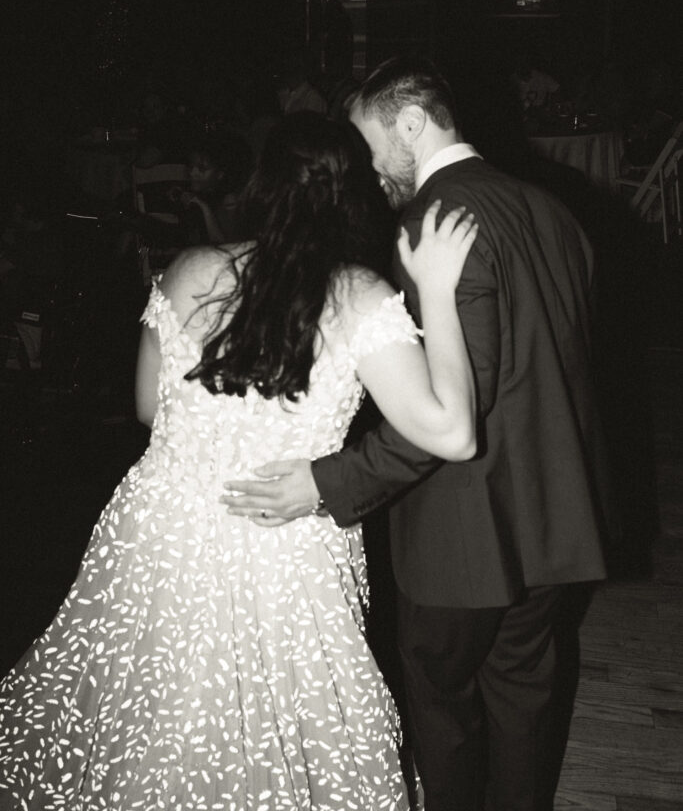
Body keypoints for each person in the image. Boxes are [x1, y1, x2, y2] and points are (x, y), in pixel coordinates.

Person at [0, 111, 479, 810]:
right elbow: (453, 434)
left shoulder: (190, 267)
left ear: (261, 185)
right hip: (280, 542)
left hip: (164, 523)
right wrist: (434, 292)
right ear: (353, 196)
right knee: (279, 721)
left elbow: (146, 407)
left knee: (151, 705)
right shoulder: (359, 295)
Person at [223, 58, 613, 811]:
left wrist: (326, 482)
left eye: (370, 145)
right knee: (524, 691)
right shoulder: (553, 207)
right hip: (558, 513)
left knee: (442, 702)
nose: (368, 171)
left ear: (411, 123)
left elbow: (453, 401)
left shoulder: (432, 223)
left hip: (465, 528)